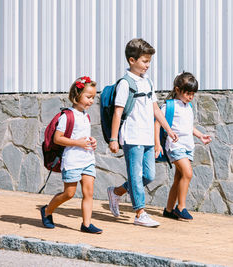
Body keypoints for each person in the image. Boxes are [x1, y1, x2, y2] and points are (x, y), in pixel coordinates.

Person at [107, 38, 178, 227]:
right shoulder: (125, 83)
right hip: (132, 135)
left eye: (149, 61)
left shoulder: (148, 82)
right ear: (132, 60)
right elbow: (118, 111)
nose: (148, 65)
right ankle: (140, 213)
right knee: (135, 175)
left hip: (146, 136)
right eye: (144, 61)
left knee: (149, 175)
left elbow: (155, 109)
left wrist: (168, 130)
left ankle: (116, 192)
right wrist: (114, 139)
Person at [40, 76, 102, 234]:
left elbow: (83, 136)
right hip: (72, 159)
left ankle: (86, 224)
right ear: (77, 94)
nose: (91, 101)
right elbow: (58, 138)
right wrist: (78, 143)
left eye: (93, 97)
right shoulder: (67, 116)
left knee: (89, 192)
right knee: (69, 193)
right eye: (88, 97)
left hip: (87, 158)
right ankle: (47, 210)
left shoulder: (85, 116)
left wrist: (91, 141)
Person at [155, 72, 212, 220]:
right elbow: (157, 123)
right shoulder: (169, 105)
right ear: (178, 89)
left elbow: (188, 127)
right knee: (188, 173)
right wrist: (157, 144)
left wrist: (200, 135)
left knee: (179, 177)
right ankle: (181, 207)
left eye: (193, 94)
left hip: (187, 146)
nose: (190, 96)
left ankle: (168, 210)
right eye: (188, 93)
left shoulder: (188, 106)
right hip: (175, 146)